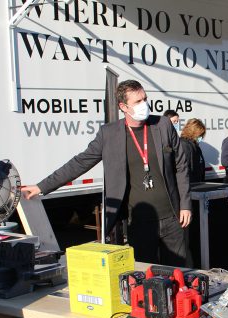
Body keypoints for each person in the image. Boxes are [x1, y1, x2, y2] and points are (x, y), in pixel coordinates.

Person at [21, 80, 191, 265]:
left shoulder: (163, 125)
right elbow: (80, 163)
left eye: (145, 99)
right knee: (146, 277)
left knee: (179, 274)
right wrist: (42, 186)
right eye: (138, 101)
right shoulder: (109, 134)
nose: (144, 105)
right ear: (123, 106)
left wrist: (185, 205)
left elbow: (181, 165)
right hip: (139, 222)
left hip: (173, 218)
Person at [179, 118, 206, 183]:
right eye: (200, 135)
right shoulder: (184, 145)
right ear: (193, 132)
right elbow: (184, 169)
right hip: (190, 185)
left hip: (197, 183)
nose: (201, 138)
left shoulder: (195, 146)